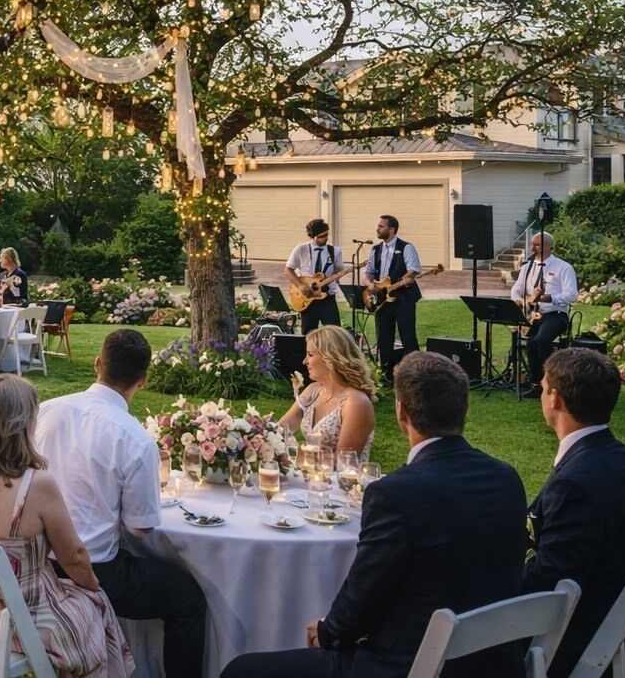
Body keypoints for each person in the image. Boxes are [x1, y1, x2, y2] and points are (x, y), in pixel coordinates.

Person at [222, 351, 528, 678]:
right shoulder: (506, 478)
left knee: (241, 670)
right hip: (493, 663)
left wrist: (327, 631)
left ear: (401, 411)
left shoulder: (395, 494)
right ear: (463, 407)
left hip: (409, 665)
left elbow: (362, 597)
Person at [36, 329, 207, 676]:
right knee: (188, 599)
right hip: (92, 573)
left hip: (38, 562)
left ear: (98, 364)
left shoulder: (45, 410)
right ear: (143, 380)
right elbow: (140, 529)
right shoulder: (134, 438)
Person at [0, 374, 133, 678]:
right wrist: (93, 588)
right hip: (23, 621)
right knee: (98, 606)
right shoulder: (35, 485)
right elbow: (74, 558)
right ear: (21, 424)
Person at [524, 348, 625, 677]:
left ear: (555, 398)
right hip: (622, 627)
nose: (541, 394)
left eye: (542, 387)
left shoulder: (575, 485)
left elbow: (550, 584)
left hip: (580, 642)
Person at [279, 325, 377, 459]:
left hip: (343, 479)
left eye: (310, 355)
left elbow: (343, 461)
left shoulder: (356, 403)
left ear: (330, 357)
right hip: (310, 474)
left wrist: (299, 455)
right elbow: (281, 430)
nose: (304, 361)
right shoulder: (313, 391)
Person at [509, 232, 578, 398]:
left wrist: (551, 298)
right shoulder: (527, 267)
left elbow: (572, 294)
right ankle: (536, 384)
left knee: (541, 340)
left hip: (555, 314)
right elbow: (516, 290)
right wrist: (520, 301)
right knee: (531, 343)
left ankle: (555, 380)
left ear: (549, 246)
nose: (533, 248)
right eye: (532, 244)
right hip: (533, 315)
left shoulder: (563, 267)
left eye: (537, 245)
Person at [364, 214, 422, 377]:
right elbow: (368, 273)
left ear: (392, 229)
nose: (378, 229)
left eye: (381, 226)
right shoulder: (375, 249)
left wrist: (406, 279)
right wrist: (371, 286)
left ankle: (416, 373)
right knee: (384, 337)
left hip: (403, 299)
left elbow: (414, 270)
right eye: (378, 226)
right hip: (383, 300)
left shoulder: (406, 247)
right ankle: (386, 373)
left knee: (408, 336)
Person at [285, 220, 345, 333]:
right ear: (311, 236)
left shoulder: (335, 251)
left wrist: (334, 279)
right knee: (308, 333)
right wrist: (300, 285)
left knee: (335, 333)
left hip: (327, 298)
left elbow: (338, 272)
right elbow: (288, 270)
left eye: (327, 234)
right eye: (322, 236)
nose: (326, 238)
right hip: (308, 298)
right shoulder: (301, 249)